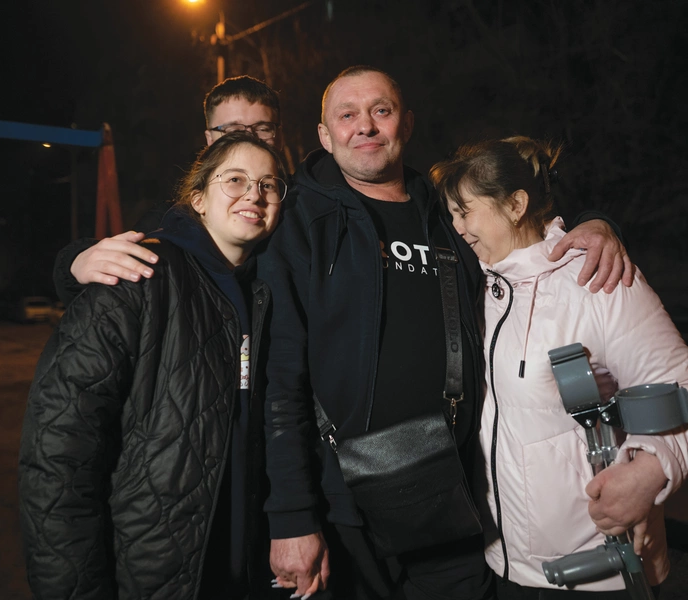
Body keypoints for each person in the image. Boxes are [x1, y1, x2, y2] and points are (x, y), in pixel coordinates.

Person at [257, 66, 634, 600]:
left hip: (451, 497)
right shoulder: (296, 220)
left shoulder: (446, 209)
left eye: (380, 111)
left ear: (405, 123)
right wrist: (292, 515)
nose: (364, 126)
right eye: (347, 115)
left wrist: (596, 222)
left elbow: (526, 216)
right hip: (343, 509)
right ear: (324, 134)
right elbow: (280, 380)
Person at [18, 131, 288, 600]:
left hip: (236, 571)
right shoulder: (136, 272)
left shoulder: (265, 291)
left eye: (269, 184)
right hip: (148, 570)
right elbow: (57, 454)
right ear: (198, 198)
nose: (254, 194)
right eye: (236, 180)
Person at [429, 136, 688, 599]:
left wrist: (651, 470)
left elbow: (679, 384)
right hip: (504, 564)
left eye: (465, 210)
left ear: (516, 204)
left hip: (598, 566)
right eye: (451, 213)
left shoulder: (595, 279)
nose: (457, 226)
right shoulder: (478, 286)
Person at [53, 75, 283, 303]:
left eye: (263, 129)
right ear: (210, 139)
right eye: (233, 129)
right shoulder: (171, 223)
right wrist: (77, 261)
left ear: (278, 137)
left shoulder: (298, 207)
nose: (249, 139)